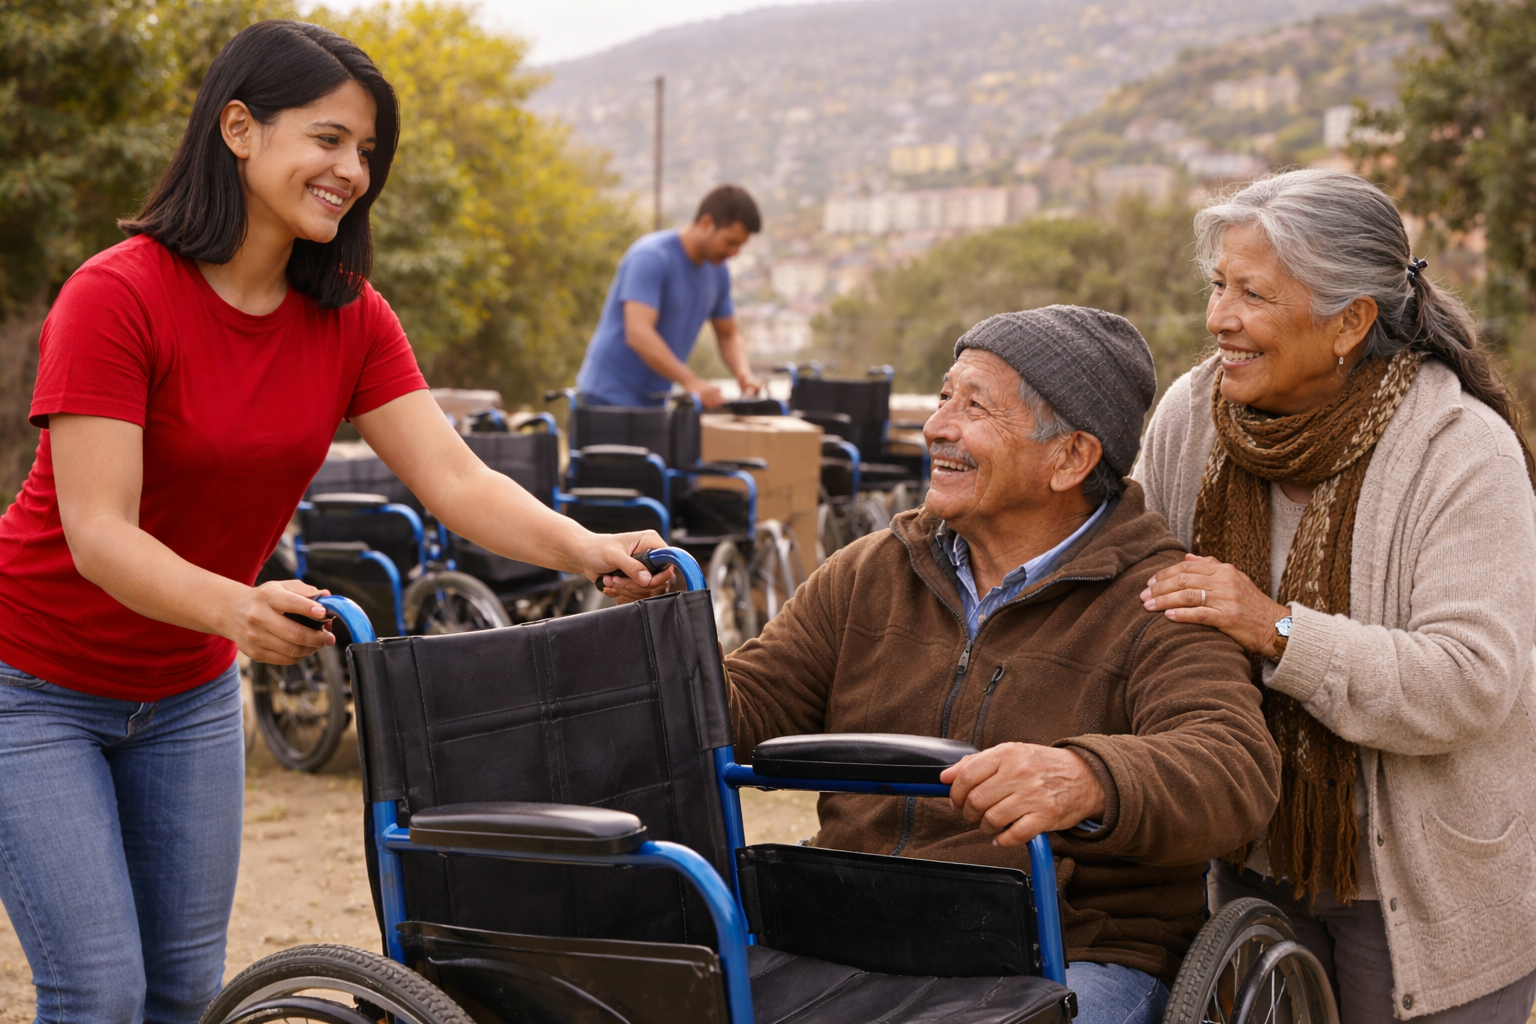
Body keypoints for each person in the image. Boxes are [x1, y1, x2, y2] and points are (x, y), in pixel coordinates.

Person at [0, 21, 665, 1023]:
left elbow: (455, 477)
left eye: (365, 150)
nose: (351, 170)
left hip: (185, 690)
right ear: (239, 129)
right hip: (32, 684)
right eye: (328, 138)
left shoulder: (351, 315)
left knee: (183, 991)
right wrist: (238, 609)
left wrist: (588, 547)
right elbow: (99, 532)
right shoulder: (116, 296)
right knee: (99, 991)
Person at [720, 307, 1281, 1024]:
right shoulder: (870, 571)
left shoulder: (1158, 599)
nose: (937, 426)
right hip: (852, 930)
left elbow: (1234, 768)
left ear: (1071, 459)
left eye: (975, 406)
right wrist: (667, 634)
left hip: (1067, 952)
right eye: (944, 397)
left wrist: (1088, 777)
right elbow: (748, 707)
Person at [1135, 168, 1536, 1022]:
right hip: (1250, 860)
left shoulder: (1462, 449)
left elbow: (1469, 682)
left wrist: (1274, 627)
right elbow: (1136, 589)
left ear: (1350, 321)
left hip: (1426, 887)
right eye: (1218, 286)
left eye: (1253, 294)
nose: (1219, 318)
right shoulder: (1193, 416)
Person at [573, 185, 764, 408]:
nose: (734, 253)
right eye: (730, 242)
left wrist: (743, 373)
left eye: (740, 246)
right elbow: (638, 333)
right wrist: (691, 381)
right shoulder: (651, 257)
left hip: (655, 402)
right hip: (607, 398)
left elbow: (728, 334)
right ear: (706, 224)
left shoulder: (718, 271)